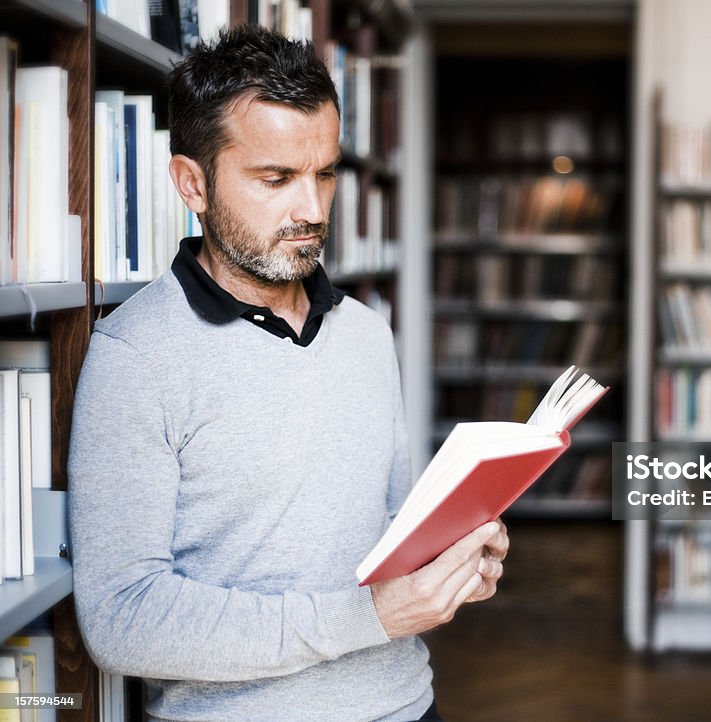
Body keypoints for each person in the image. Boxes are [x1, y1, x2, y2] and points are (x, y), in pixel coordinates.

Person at [67, 24, 508, 722]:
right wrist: (366, 617)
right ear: (193, 183)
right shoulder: (135, 359)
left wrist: (453, 561)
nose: (312, 210)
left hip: (407, 706)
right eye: (275, 179)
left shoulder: (366, 334)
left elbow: (393, 527)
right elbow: (123, 618)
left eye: (325, 174)